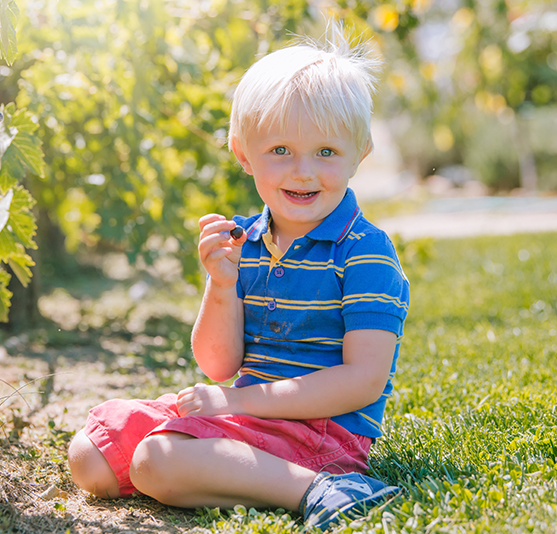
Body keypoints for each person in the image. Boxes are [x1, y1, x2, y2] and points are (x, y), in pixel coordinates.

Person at [67, 22, 410, 530]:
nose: (303, 171)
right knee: (89, 457)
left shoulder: (364, 252)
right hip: (247, 415)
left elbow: (363, 382)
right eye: (280, 151)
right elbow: (217, 363)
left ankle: (322, 488)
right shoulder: (243, 241)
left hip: (317, 431)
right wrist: (221, 284)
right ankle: (225, 468)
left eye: (326, 152)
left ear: (360, 152)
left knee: (156, 461)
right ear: (242, 153)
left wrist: (236, 401)